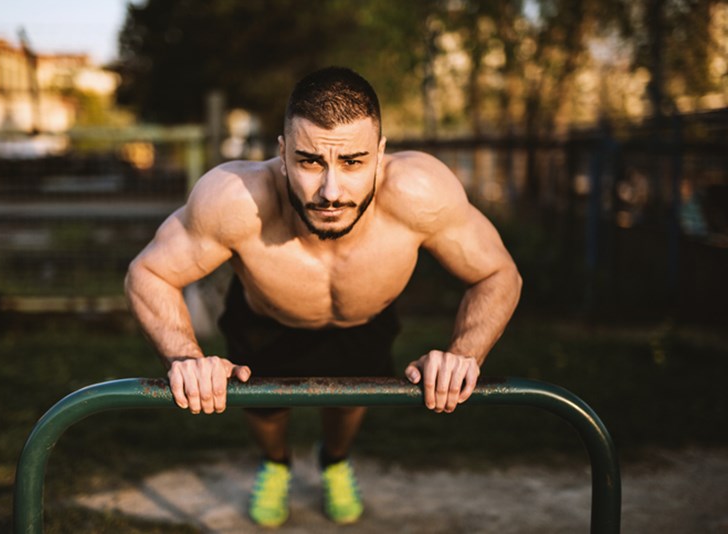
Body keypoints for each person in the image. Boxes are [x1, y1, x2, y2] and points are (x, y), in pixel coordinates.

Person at [125, 66, 521, 528]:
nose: (331, 192)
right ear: (282, 152)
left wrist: (463, 356)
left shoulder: (421, 192)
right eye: (310, 161)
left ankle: (334, 461)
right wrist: (184, 358)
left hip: (365, 320)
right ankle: (276, 464)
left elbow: (498, 273)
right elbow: (148, 272)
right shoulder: (235, 199)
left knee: (351, 403)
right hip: (264, 323)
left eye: (353, 162)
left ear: (380, 153)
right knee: (265, 409)